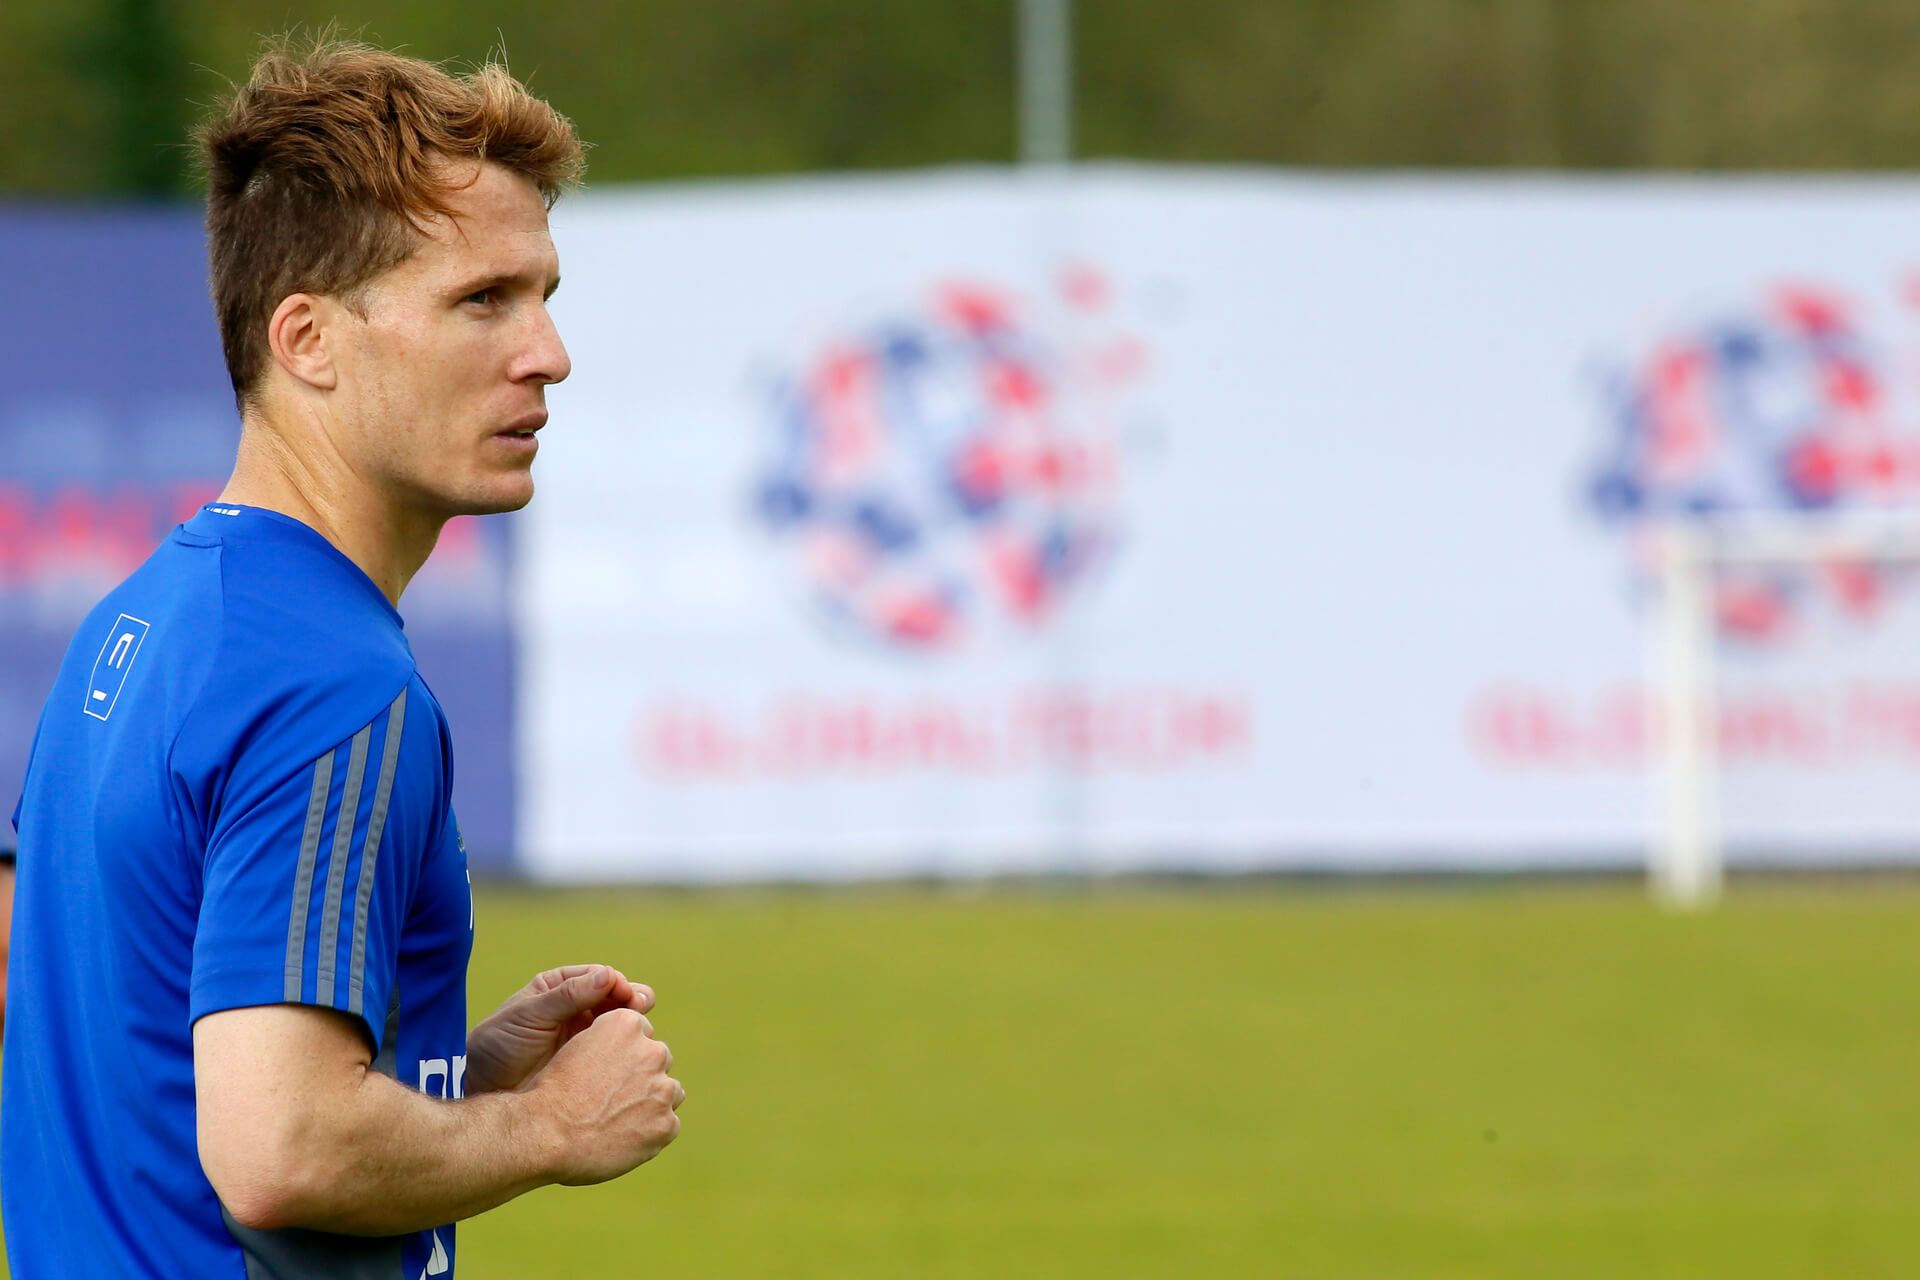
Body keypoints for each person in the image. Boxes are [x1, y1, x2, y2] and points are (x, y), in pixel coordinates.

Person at [1, 38, 683, 1278]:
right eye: (483, 300)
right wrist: (550, 1126)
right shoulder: (329, 680)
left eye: (546, 295)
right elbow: (281, 1151)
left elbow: (139, 1045)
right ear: (308, 338)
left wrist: (453, 1071)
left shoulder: (143, 618)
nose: (547, 352)